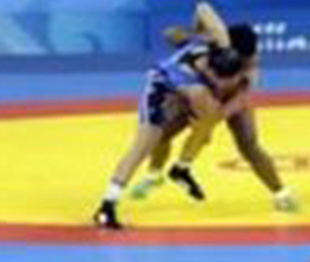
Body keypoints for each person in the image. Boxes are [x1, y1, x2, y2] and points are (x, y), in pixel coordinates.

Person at [94, 4, 245, 230]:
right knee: (142, 148)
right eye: (222, 79)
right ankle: (107, 206)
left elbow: (202, 7)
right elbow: (205, 113)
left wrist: (195, 33)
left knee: (205, 128)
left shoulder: (220, 41)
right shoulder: (194, 89)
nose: (226, 84)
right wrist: (202, 124)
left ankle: (181, 168)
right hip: (160, 93)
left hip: (185, 91)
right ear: (211, 72)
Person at [130, 15, 297, 212]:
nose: (248, 60)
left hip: (228, 102)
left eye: (249, 56)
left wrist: (209, 122)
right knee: (161, 133)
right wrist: (194, 34)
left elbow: (240, 101)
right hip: (198, 97)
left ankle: (281, 193)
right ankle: (154, 175)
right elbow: (170, 34)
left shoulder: (250, 69)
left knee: (249, 145)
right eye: (242, 56)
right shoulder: (211, 46)